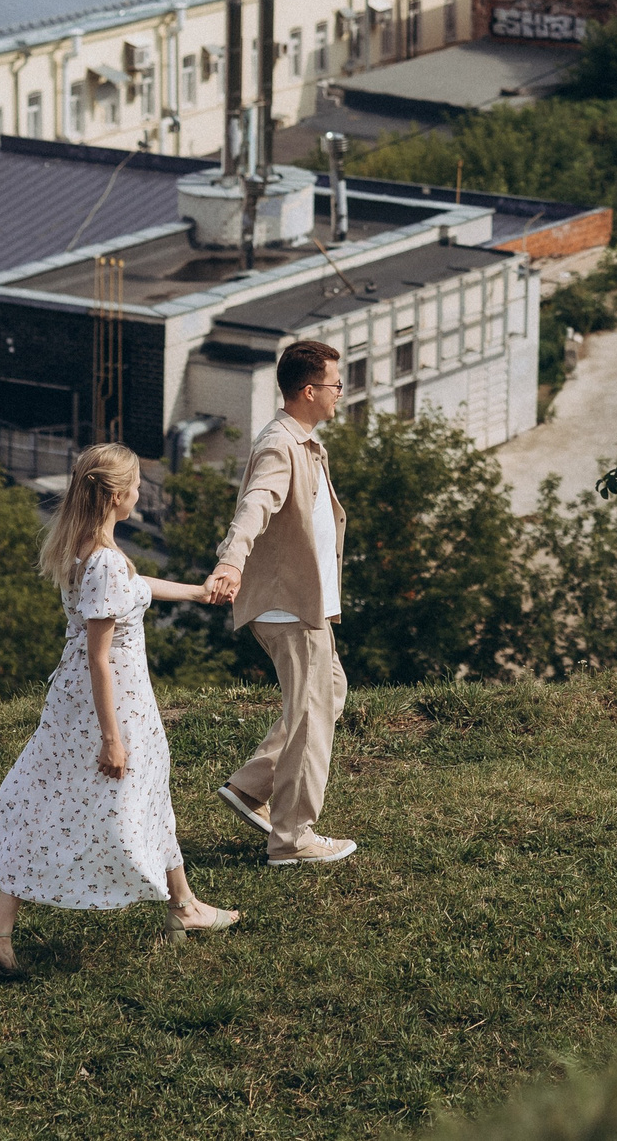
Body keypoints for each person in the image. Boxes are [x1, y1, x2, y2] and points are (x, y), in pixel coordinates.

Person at [0, 442, 238, 979]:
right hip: (113, 704)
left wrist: (198, 592)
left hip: (77, 700)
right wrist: (112, 738)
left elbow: (133, 589)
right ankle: (0, 935)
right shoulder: (107, 560)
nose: (140, 492)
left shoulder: (85, 547)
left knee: (57, 802)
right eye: (135, 485)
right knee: (109, 799)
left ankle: (180, 904)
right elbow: (100, 656)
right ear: (115, 496)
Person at [202, 339, 357, 867]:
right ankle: (292, 839)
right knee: (311, 715)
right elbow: (255, 505)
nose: (340, 393)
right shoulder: (280, 445)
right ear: (309, 391)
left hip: (304, 604)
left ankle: (250, 787)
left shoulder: (304, 441)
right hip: (288, 606)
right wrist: (231, 562)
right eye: (336, 384)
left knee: (327, 693)